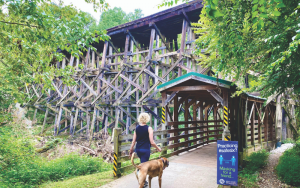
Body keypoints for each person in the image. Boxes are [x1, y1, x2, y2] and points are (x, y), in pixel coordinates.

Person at [129, 113, 161, 187]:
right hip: (145, 150)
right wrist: (158, 148)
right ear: (147, 119)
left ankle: (143, 181)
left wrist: (131, 150)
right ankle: (142, 182)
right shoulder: (149, 128)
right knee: (144, 168)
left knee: (142, 165)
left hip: (138, 150)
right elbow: (152, 142)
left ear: (140, 118)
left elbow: (133, 141)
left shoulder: (137, 128)